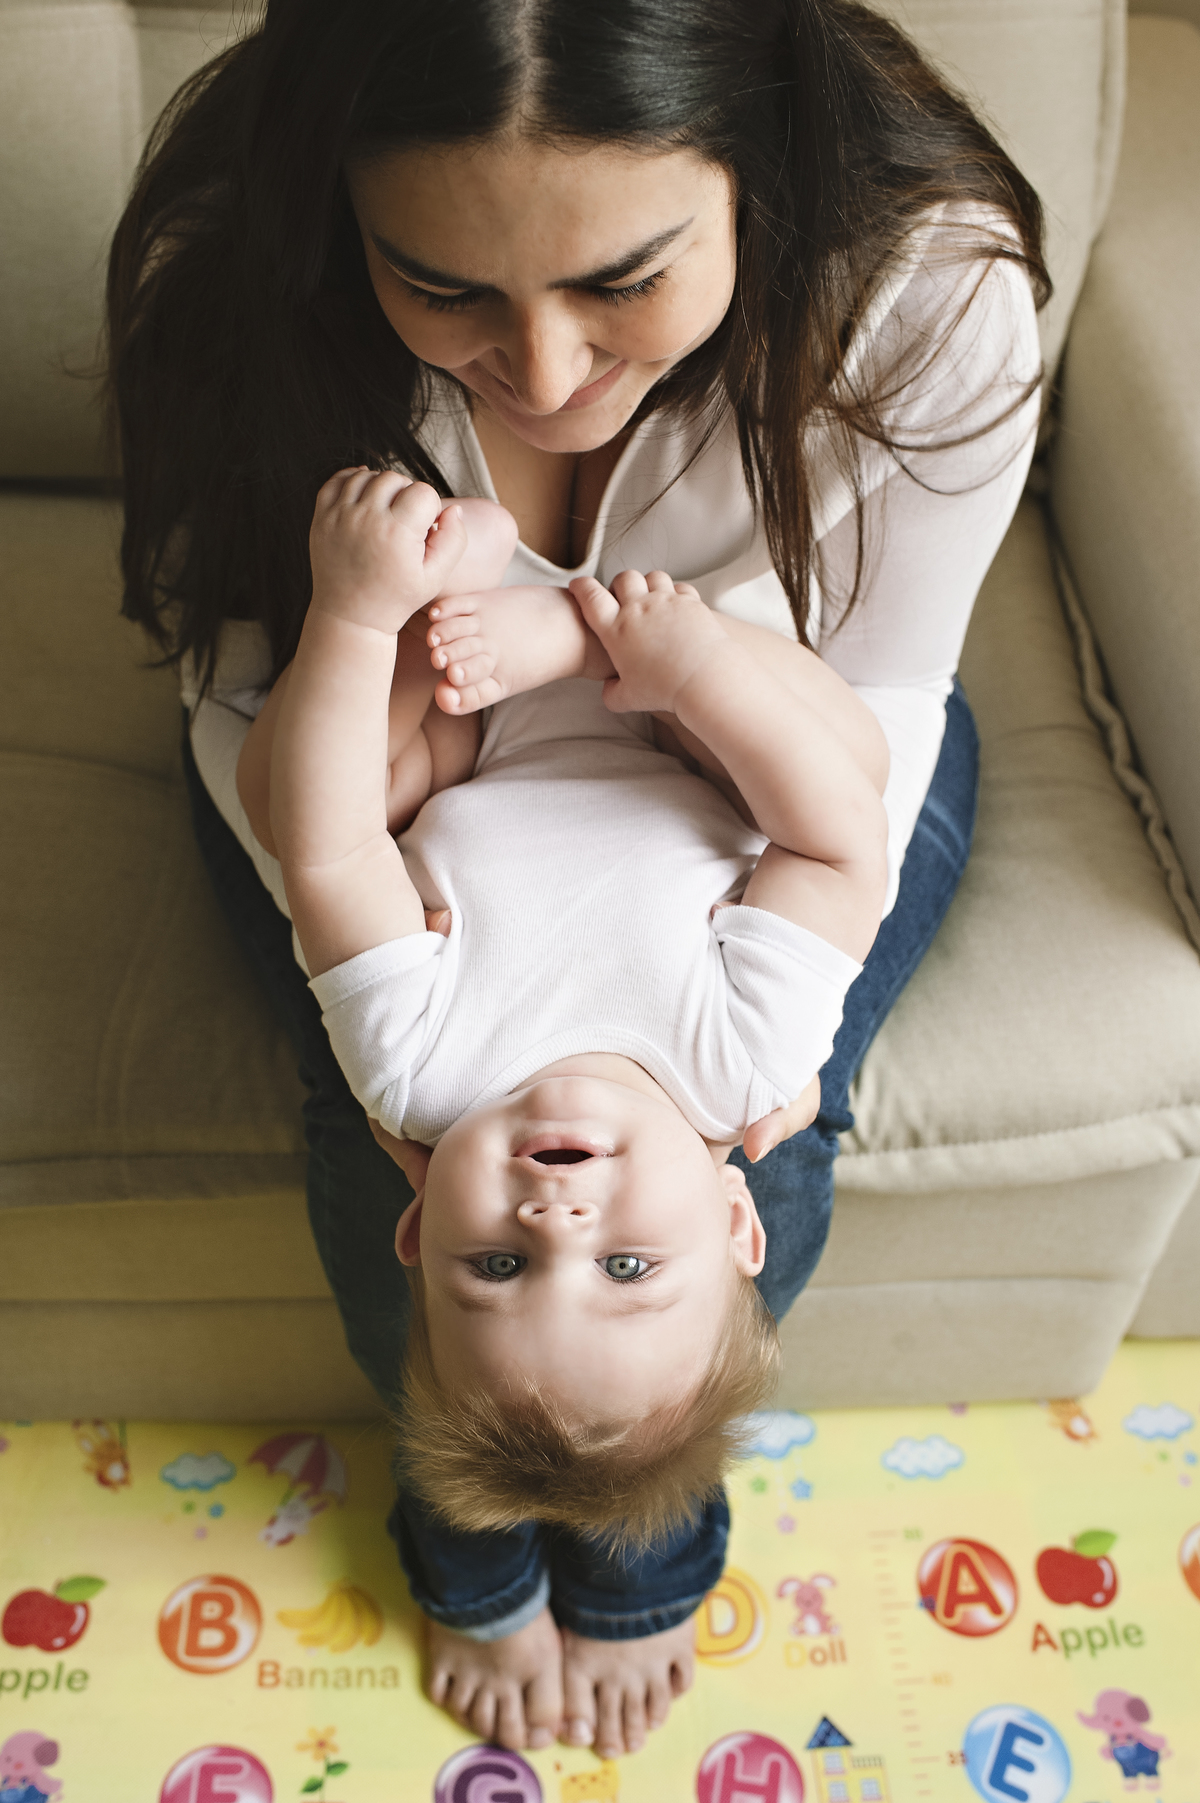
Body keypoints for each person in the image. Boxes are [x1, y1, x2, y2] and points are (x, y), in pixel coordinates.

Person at [107, 0, 1049, 1760]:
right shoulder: (239, 260)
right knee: (392, 1133)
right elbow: (286, 773)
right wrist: (393, 716)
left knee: (772, 1127)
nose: (540, 375)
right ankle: (475, 1524)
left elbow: (864, 738)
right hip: (407, 743)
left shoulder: (929, 289)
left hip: (778, 737)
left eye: (624, 278)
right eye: (442, 284)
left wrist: (629, 679)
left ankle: (636, 1527)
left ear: (752, 169)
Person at [246, 454, 888, 1537]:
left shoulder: (414, 1067)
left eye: (497, 1265)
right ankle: (590, 633)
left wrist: (354, 619)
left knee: (290, 801)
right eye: (626, 1266)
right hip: (685, 729)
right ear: (738, 1221)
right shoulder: (747, 1060)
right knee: (850, 757)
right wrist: (694, 677)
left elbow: (333, 853)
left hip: (473, 736)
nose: (557, 1221)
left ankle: (431, 597)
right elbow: (838, 852)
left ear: (417, 1230)